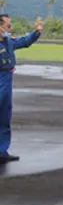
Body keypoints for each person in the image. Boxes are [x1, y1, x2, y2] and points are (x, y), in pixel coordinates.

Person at [0, 15, 42, 164]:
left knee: (4, 117)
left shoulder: (8, 42)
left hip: (6, 79)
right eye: (8, 26)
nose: (10, 29)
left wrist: (36, 32)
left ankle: (2, 151)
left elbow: (24, 42)